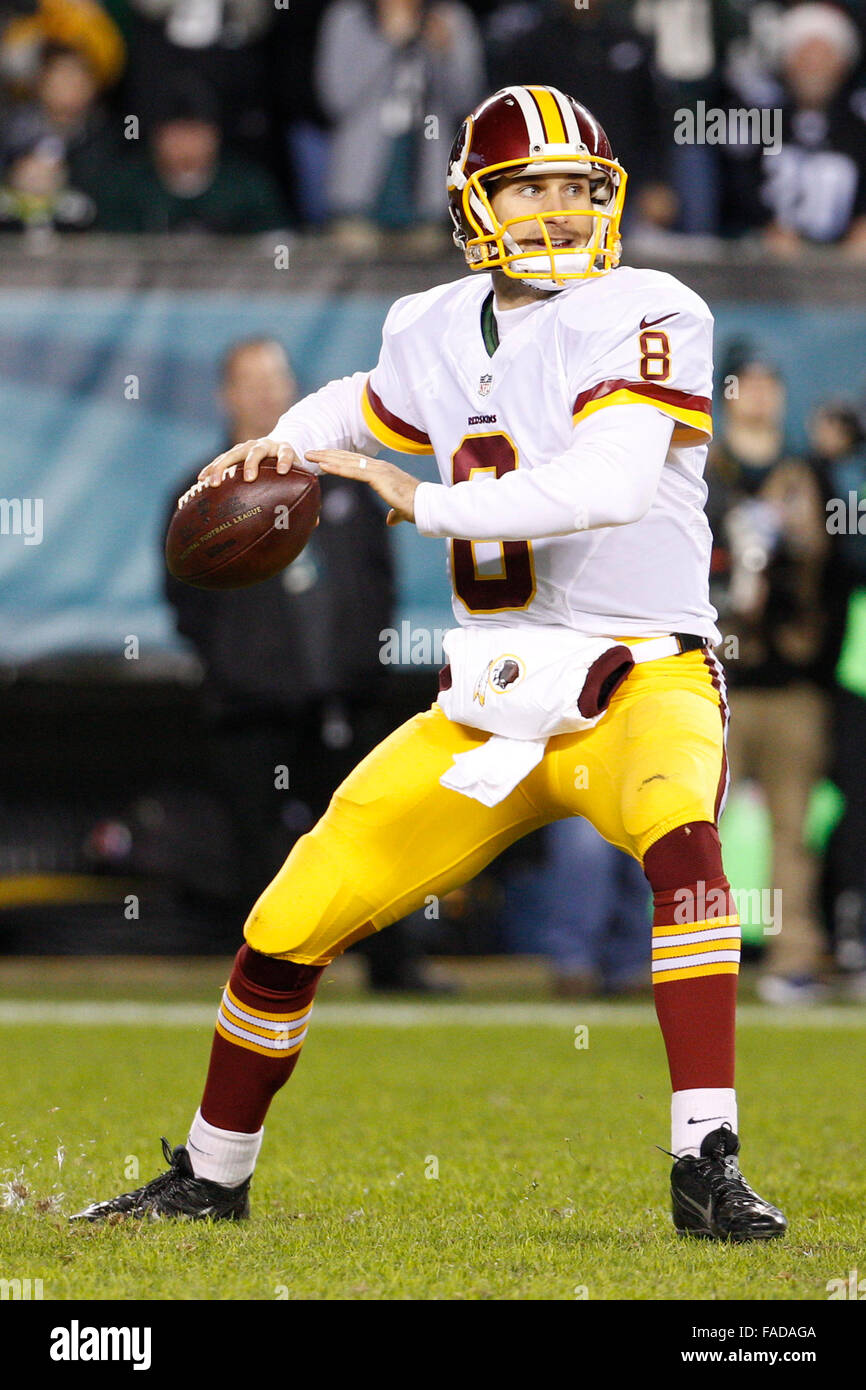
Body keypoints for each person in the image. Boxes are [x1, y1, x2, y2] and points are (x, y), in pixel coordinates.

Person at [73, 84, 786, 1242]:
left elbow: (606, 483)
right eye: (529, 188)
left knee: (687, 853)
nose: (556, 211)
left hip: (639, 674)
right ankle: (210, 1175)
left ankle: (705, 1163)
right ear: (474, 202)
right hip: (492, 697)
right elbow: (356, 406)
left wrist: (426, 496)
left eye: (575, 188)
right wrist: (282, 443)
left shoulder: (652, 306)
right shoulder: (432, 325)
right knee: (288, 919)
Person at [705, 357, 829, 1003]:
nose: (758, 396)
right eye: (747, 385)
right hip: (713, 678)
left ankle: (794, 959)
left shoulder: (805, 473)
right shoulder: (703, 470)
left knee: (794, 830)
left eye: (768, 384)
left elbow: (838, 567)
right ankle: (693, 956)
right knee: (693, 830)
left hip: (789, 681)